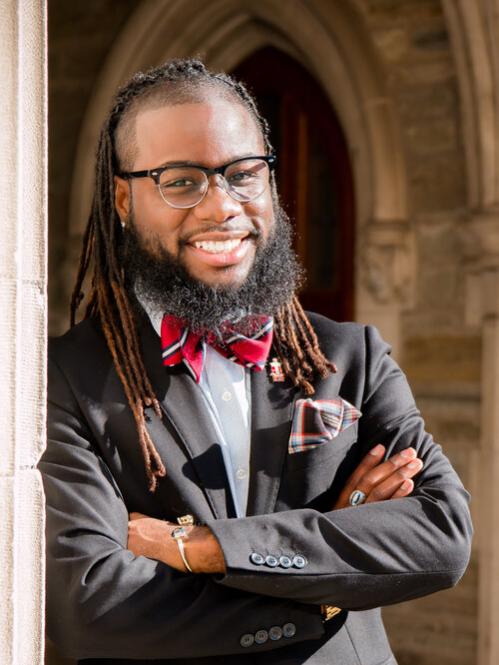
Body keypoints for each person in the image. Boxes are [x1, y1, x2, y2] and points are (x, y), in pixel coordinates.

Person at [40, 59, 472, 665]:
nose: (222, 206)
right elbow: (91, 607)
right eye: (181, 181)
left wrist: (202, 549)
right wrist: (330, 587)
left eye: (243, 174)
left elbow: (442, 538)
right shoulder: (64, 379)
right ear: (122, 198)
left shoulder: (352, 357)